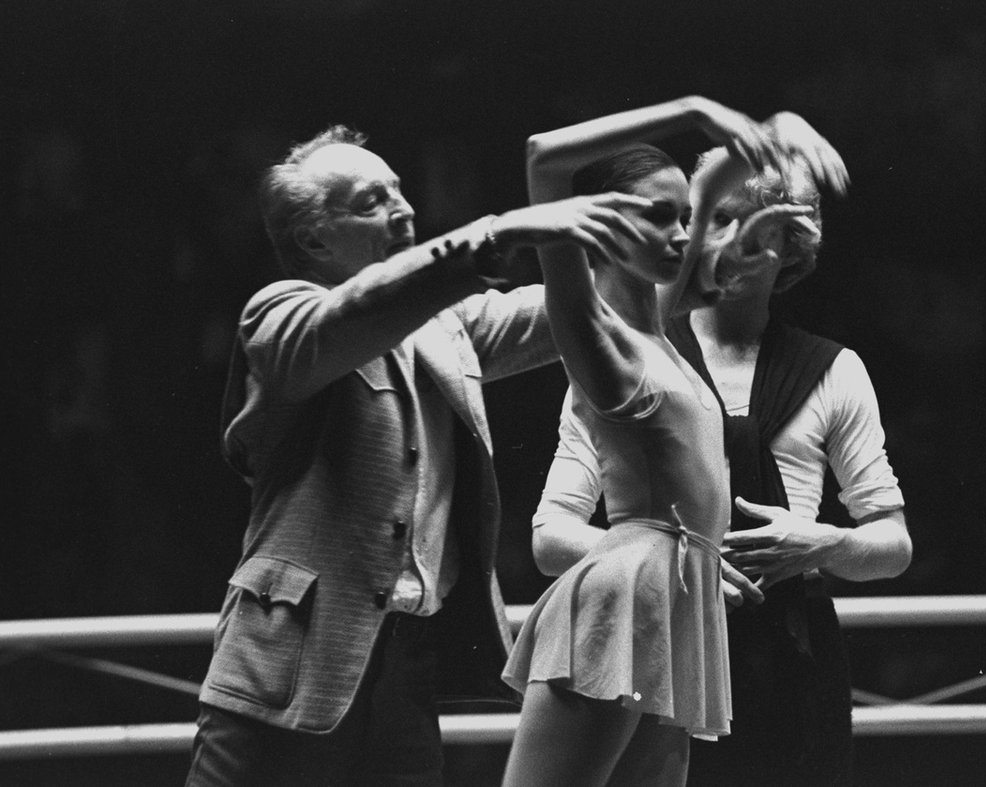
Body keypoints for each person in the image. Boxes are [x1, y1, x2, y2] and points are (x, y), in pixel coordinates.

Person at [185, 124, 648, 786]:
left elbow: (579, 310)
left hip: (407, 667)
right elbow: (341, 328)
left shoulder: (446, 324)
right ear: (316, 238)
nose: (401, 207)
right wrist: (497, 234)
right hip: (289, 665)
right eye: (371, 199)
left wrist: (692, 248)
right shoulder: (279, 312)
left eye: (398, 189)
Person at [532, 116, 911, 786]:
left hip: (788, 653)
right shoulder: (635, 356)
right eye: (716, 222)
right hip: (660, 636)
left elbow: (892, 542)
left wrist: (820, 542)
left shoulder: (833, 370)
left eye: (758, 234)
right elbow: (552, 531)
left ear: (789, 249)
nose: (728, 246)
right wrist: (679, 564)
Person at [498, 96, 821, 787]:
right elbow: (542, 158)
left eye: (679, 218)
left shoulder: (657, 326)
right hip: (628, 590)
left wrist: (773, 134)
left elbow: (707, 190)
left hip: (678, 595)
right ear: (599, 225)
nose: (682, 232)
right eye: (655, 215)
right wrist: (691, 109)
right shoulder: (595, 331)